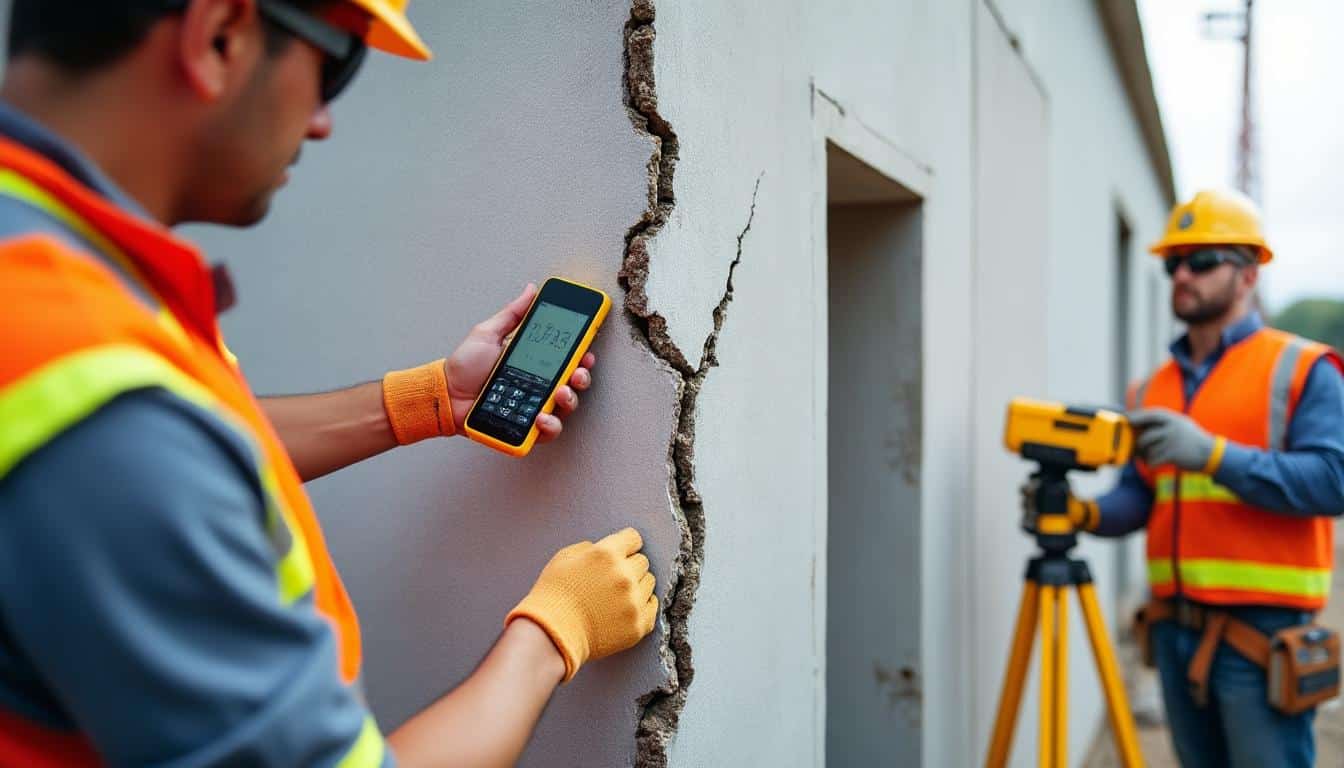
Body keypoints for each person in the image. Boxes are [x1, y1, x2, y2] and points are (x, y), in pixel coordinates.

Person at [0, 2, 657, 766]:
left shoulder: (51, 284)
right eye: (336, 64)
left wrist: (431, 401)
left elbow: (193, 446)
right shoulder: (95, 393)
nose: (322, 124)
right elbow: (141, 454)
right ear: (220, 33)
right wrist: (551, 634)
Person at [1050, 189, 1344, 767]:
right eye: (1173, 262)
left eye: (1202, 260)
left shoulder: (1302, 368)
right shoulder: (1151, 387)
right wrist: (1085, 514)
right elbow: (1142, 494)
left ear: (1250, 272)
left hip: (1261, 639)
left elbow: (1333, 480)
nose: (1182, 274)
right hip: (1173, 632)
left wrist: (1213, 456)